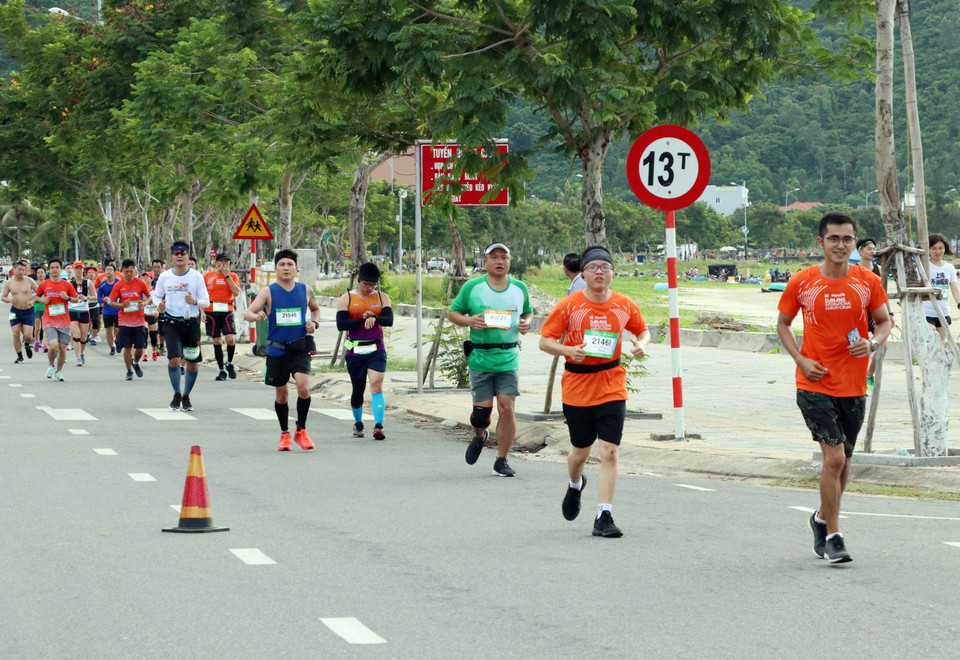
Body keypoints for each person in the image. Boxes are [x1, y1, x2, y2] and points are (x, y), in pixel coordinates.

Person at [777, 213, 891, 564]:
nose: (841, 245)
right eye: (834, 239)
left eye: (847, 239)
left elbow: (885, 322)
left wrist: (872, 343)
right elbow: (783, 323)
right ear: (821, 243)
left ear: (854, 242)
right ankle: (835, 537)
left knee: (844, 466)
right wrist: (800, 359)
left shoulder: (867, 281)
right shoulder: (803, 281)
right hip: (813, 383)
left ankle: (821, 518)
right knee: (834, 457)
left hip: (854, 384)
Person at [539, 246, 650, 538]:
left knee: (609, 452)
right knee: (580, 452)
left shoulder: (624, 304)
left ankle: (604, 515)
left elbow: (643, 330)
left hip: (612, 383)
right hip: (577, 386)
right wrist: (567, 350)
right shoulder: (570, 305)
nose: (599, 272)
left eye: (605, 267)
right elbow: (544, 341)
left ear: (613, 272)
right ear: (584, 274)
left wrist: (642, 345)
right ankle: (575, 485)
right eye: (593, 267)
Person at [449, 242, 533, 477]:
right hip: (481, 357)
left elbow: (527, 311)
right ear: (484, 261)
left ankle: (502, 460)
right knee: (480, 416)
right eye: (494, 257)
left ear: (510, 261)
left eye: (504, 257)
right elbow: (453, 313)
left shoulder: (519, 287)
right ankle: (480, 435)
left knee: (507, 408)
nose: (499, 261)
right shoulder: (472, 287)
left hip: (508, 356)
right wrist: (469, 321)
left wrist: (526, 322)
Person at [244, 249, 320, 451]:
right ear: (276, 269)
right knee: (282, 395)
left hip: (300, 347)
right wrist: (257, 317)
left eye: (290, 264)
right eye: (282, 265)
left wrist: (315, 323)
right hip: (277, 349)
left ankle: (301, 430)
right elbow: (248, 313)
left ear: (296, 268)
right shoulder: (268, 291)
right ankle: (285, 433)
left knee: (304, 387)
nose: (286, 268)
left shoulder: (305, 289)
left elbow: (316, 309)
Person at [336, 262, 393, 440]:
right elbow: (341, 324)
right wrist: (362, 319)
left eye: (373, 285)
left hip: (376, 347)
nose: (370, 288)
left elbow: (389, 320)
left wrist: (374, 317)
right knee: (358, 389)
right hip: (355, 349)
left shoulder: (382, 297)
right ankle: (358, 423)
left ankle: (378, 426)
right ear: (358, 280)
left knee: (376, 384)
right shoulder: (347, 298)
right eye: (366, 284)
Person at [153, 240, 210, 412]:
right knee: (174, 359)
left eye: (183, 254)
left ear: (187, 257)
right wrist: (160, 305)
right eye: (176, 254)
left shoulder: (196, 276)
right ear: (171, 257)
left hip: (191, 323)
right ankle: (176, 393)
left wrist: (195, 301)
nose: (179, 257)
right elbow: (156, 296)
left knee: (192, 362)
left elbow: (206, 302)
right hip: (171, 322)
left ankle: (186, 395)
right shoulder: (165, 276)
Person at [856, 238, 893, 395]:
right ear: (860, 251)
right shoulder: (853, 269)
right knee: (858, 347)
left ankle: (868, 375)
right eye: (869, 249)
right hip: (858, 313)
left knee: (882, 346)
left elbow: (883, 295)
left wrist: (889, 313)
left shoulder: (879, 269)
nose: (872, 251)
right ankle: (855, 379)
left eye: (873, 248)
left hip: (875, 312)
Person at [34, 259, 79, 381]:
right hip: (49, 319)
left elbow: (76, 299)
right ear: (49, 270)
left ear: (60, 269)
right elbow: (37, 297)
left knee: (62, 348)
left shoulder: (67, 284)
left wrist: (68, 297)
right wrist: (43, 300)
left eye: (57, 267)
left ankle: (58, 371)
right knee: (52, 345)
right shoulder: (44, 284)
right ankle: (50, 365)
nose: (54, 270)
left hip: (64, 320)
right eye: (52, 267)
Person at [107, 259, 151, 380]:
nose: (129, 274)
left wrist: (145, 302)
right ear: (122, 271)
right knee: (127, 347)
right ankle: (129, 371)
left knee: (140, 348)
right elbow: (111, 302)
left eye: (131, 271)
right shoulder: (119, 285)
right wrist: (121, 305)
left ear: (134, 270)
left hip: (139, 320)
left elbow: (149, 296)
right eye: (126, 272)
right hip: (124, 321)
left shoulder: (140, 283)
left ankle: (135, 362)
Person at [203, 253, 241, 381]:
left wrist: (227, 275)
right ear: (216, 262)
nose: (224, 264)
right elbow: (201, 294)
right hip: (211, 310)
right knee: (217, 341)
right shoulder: (208, 276)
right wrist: (202, 311)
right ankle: (221, 370)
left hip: (227, 310)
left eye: (227, 262)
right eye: (222, 261)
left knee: (230, 339)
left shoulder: (233, 276)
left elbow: (236, 292)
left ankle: (229, 363)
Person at [923, 233, 960, 340]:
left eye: (940, 248)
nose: (937, 251)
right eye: (934, 248)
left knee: (941, 343)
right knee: (932, 339)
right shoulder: (924, 267)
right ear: (929, 250)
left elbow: (954, 289)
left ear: (945, 248)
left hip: (943, 312)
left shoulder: (949, 268)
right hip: (927, 312)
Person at [2, 260, 38, 363]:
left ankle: (27, 344)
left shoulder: (29, 280)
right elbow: (3, 297)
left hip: (28, 311)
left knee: (28, 336)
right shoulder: (9, 282)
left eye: (23, 269)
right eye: (20, 269)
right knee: (15, 333)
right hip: (14, 311)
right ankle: (19, 356)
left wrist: (33, 301)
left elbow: (39, 293)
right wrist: (9, 300)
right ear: (14, 270)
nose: (22, 271)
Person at [68, 262, 94, 367]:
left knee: (83, 337)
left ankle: (82, 353)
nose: (78, 271)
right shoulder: (69, 282)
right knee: (76, 335)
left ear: (83, 270)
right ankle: (78, 358)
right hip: (72, 310)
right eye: (76, 269)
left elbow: (95, 296)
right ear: (74, 270)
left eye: (80, 269)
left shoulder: (88, 282)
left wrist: (87, 298)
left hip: (84, 311)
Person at [97, 264, 121, 356]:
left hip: (118, 310)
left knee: (118, 330)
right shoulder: (102, 284)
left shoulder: (119, 283)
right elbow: (98, 297)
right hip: (107, 310)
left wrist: (120, 300)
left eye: (111, 269)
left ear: (115, 272)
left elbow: (123, 294)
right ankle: (112, 347)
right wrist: (103, 300)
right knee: (108, 330)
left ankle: (118, 340)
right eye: (107, 269)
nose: (108, 271)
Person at [84, 265, 102, 346]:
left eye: (93, 273)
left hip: (95, 305)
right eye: (89, 273)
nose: (91, 274)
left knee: (95, 321)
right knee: (87, 322)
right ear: (86, 274)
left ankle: (93, 338)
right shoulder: (84, 283)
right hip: (86, 305)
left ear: (96, 274)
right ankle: (87, 333)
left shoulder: (98, 283)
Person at [31, 265, 46, 354]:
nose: (40, 274)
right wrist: (38, 296)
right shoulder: (34, 283)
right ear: (36, 274)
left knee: (45, 328)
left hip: (45, 308)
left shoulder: (47, 283)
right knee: (37, 328)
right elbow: (32, 295)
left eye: (42, 272)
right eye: (39, 272)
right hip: (36, 307)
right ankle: (37, 341)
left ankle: (45, 344)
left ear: (45, 274)